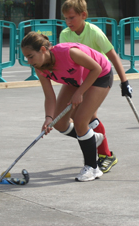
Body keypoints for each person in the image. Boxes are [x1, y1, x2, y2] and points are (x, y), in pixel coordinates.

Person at [21, 31, 112, 182]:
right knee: (60, 123)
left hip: (100, 75)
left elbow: (96, 69)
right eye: (26, 58)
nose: (29, 61)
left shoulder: (68, 53)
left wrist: (80, 92)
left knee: (80, 121)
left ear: (43, 50)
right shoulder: (40, 68)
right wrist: (48, 118)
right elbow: (50, 96)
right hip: (75, 80)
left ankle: (93, 168)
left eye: (31, 56)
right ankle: (90, 138)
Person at [59, 0, 132, 173]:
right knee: (72, 119)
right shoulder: (65, 34)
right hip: (79, 79)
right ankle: (94, 140)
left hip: (99, 77)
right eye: (66, 18)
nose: (68, 21)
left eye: (72, 17)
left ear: (83, 15)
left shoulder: (94, 32)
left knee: (86, 117)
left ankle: (106, 155)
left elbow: (113, 55)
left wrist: (125, 82)